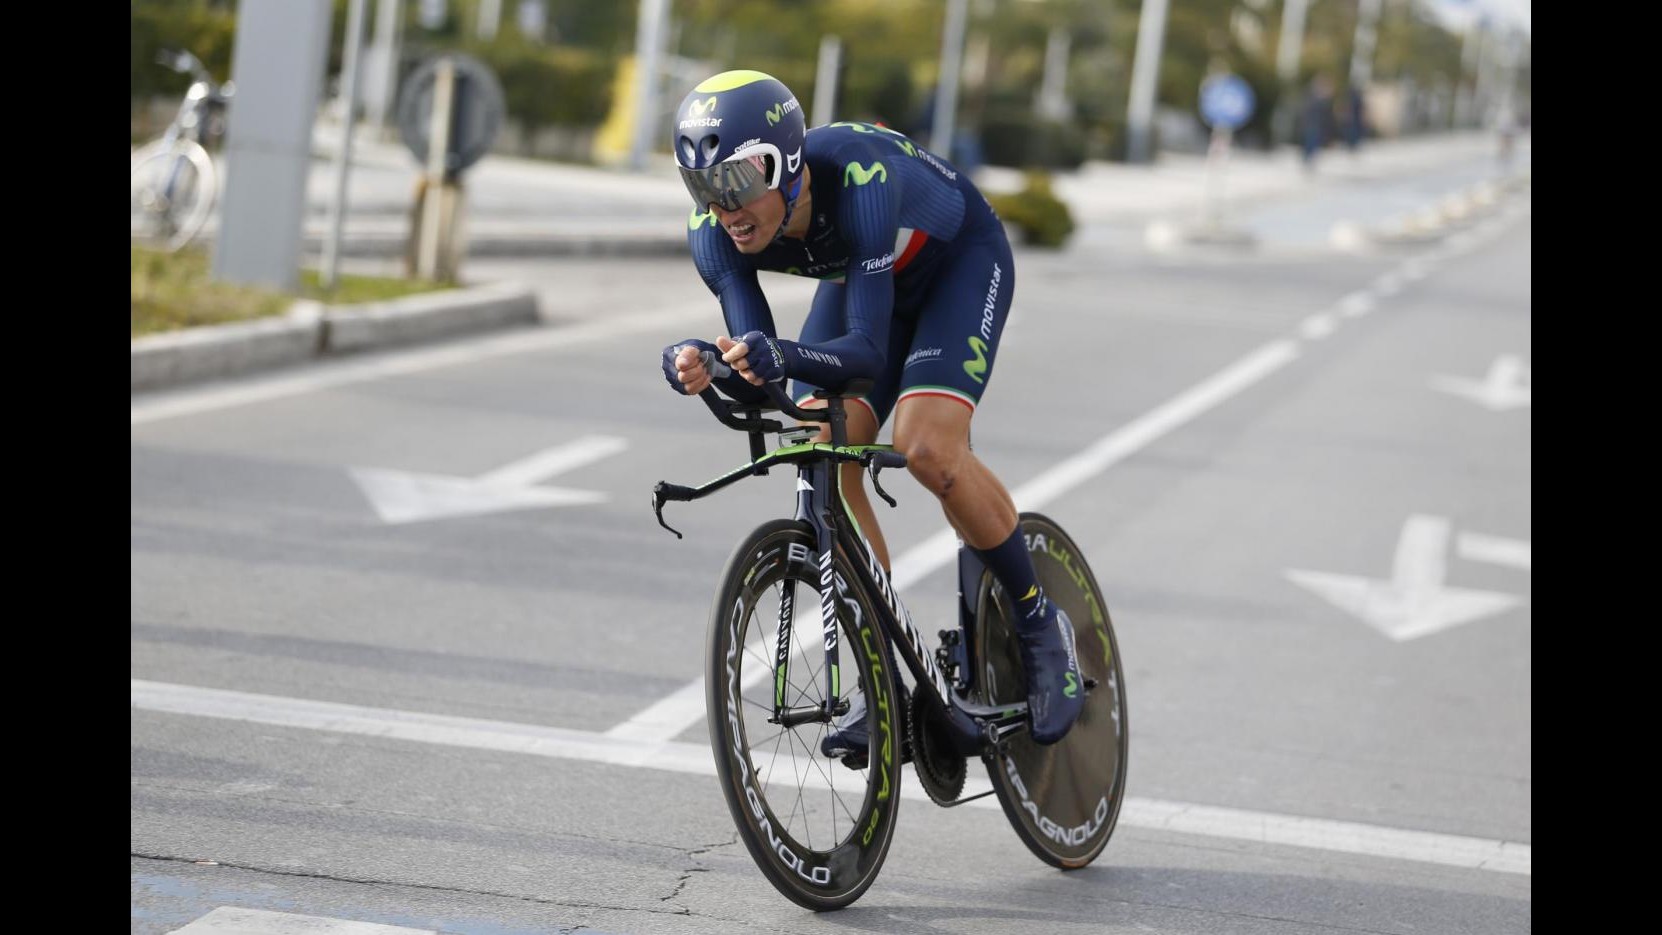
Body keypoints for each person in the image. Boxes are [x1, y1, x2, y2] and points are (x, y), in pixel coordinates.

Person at [657, 70, 1085, 750]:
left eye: (736, 182)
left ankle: (1039, 622)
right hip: (864, 277)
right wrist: (711, 368)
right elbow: (762, 368)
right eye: (702, 187)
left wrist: (778, 357)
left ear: (786, 165)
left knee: (927, 447)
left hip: (956, 265)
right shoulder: (713, 233)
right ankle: (885, 674)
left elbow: (864, 353)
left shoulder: (857, 179)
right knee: (815, 438)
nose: (724, 208)